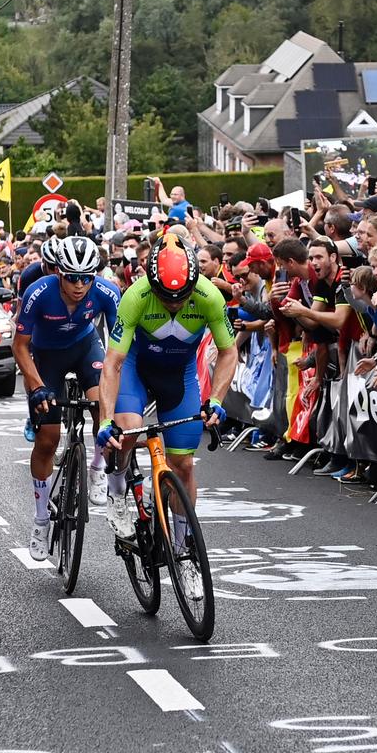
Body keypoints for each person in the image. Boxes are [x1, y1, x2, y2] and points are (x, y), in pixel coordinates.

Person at [96, 247, 237, 602]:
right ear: (151, 284)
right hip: (134, 371)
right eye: (166, 297)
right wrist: (105, 419)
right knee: (127, 429)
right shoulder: (135, 297)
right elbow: (112, 364)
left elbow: (229, 351)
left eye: (181, 296)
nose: (174, 304)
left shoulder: (208, 295)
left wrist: (217, 399)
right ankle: (116, 493)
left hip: (180, 376)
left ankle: (183, 550)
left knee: (184, 463)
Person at [12, 235, 120, 559]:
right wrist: (36, 385)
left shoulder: (106, 293)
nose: (79, 285)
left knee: (104, 408)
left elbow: (119, 347)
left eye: (86, 277)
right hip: (47, 357)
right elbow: (19, 347)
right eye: (72, 277)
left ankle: (98, 468)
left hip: (87, 348)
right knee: (47, 439)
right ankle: (41, 519)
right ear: (59, 273)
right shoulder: (38, 293)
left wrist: (119, 388)